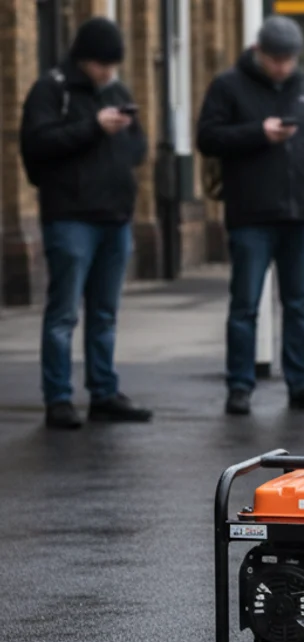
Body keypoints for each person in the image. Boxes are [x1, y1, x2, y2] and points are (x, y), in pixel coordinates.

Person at [197, 15, 304, 416]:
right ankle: (239, 386)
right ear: (259, 52)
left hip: (301, 215)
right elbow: (208, 138)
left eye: (289, 60)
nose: (283, 67)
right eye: (276, 59)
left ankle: (301, 383)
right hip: (251, 215)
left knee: (298, 306)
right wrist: (259, 133)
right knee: (245, 305)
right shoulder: (228, 86)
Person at [20, 17, 152, 430]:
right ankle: (58, 398)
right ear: (84, 59)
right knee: (63, 314)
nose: (108, 74)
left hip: (115, 217)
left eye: (113, 66)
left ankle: (104, 392)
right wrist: (93, 127)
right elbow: (37, 145)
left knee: (106, 313)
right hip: (70, 217)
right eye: (102, 65)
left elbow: (138, 149)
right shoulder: (51, 88)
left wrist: (123, 131)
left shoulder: (115, 90)